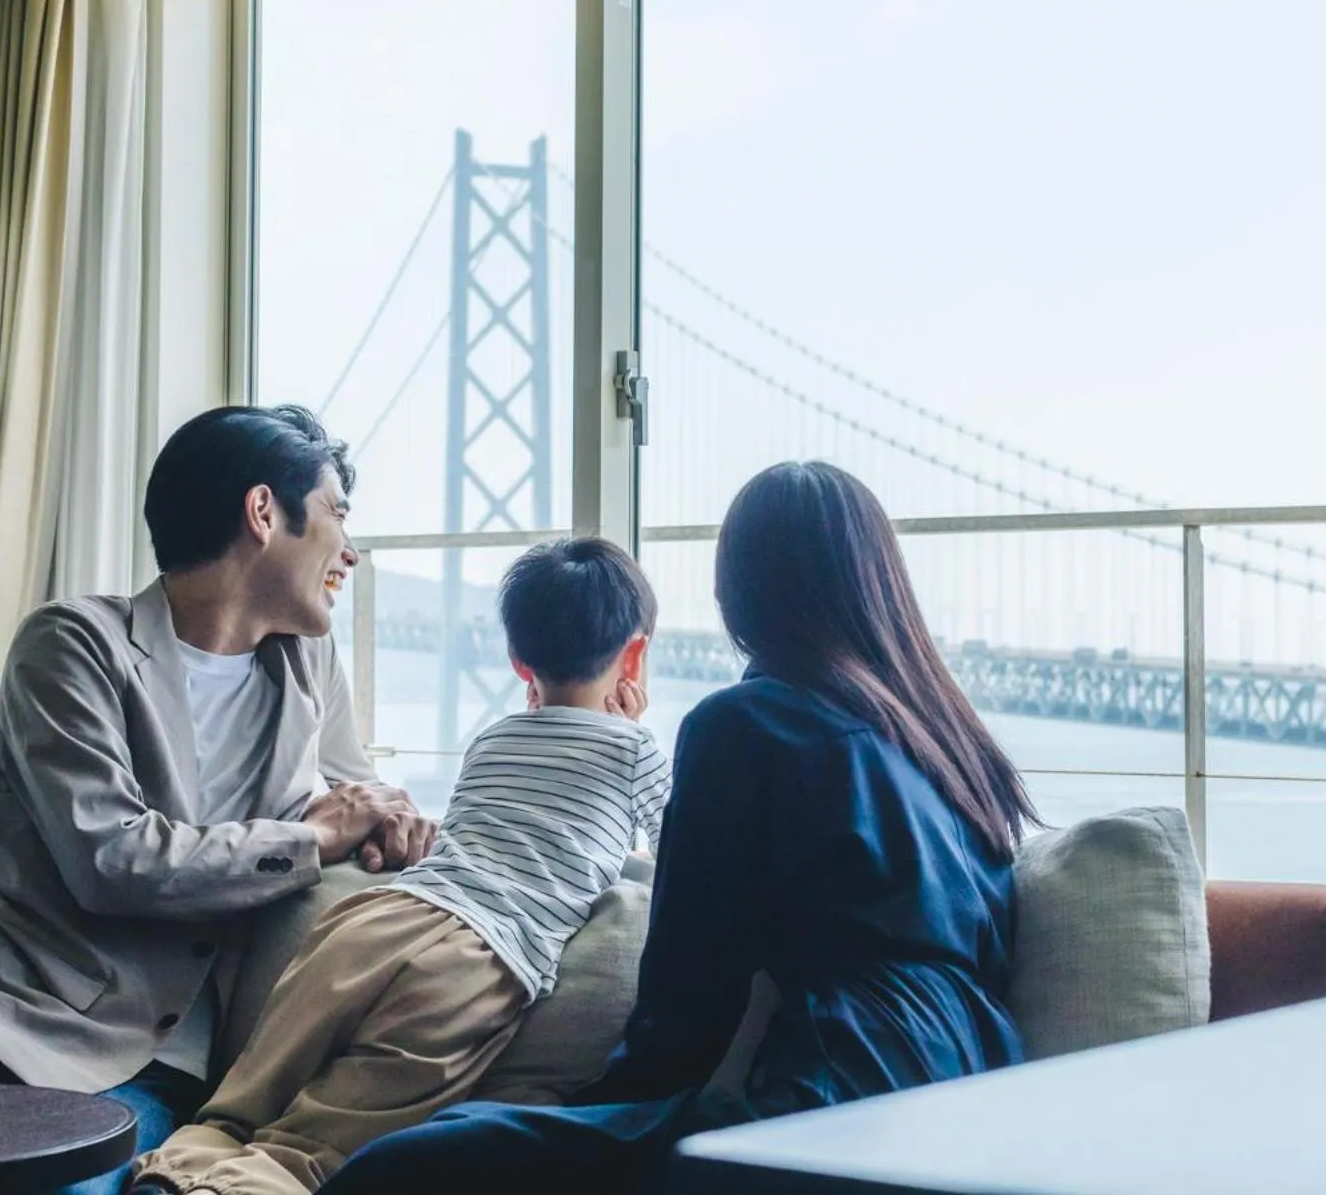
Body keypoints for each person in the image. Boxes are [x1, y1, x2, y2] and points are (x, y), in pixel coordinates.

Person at [319, 460, 1040, 1195]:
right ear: (880, 580)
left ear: (738, 593)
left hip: (844, 1108)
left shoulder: (743, 724)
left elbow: (687, 1007)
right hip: (982, 1099)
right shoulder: (952, 747)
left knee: (401, 1165)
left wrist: (589, 1118)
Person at [0, 405, 436, 1195]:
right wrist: (311, 839)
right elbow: (112, 860)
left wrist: (396, 817)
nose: (350, 550)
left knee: (74, 1187)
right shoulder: (74, 643)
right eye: (336, 513)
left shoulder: (309, 667)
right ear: (263, 513)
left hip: (149, 1047)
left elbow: (357, 791)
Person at [129, 537, 670, 1195]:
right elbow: (680, 856)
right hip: (475, 954)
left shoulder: (491, 738)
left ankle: (172, 1170)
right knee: (330, 1137)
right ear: (636, 655)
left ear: (517, 661)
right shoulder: (636, 747)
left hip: (374, 921)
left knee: (241, 1098)